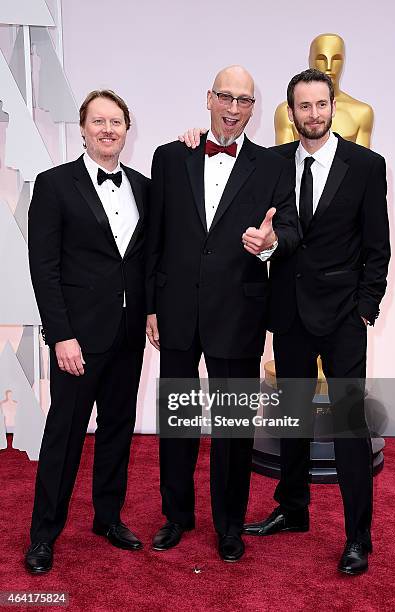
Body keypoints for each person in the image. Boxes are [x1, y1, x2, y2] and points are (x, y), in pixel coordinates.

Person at [180, 68, 390, 574]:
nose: (312, 115)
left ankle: (357, 535)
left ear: (332, 107)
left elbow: (378, 248)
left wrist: (365, 308)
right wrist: (190, 140)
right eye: (302, 107)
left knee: (347, 427)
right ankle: (293, 509)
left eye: (320, 105)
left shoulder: (365, 165)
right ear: (290, 111)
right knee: (292, 420)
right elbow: (218, 171)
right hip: (288, 313)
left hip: (343, 318)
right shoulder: (270, 163)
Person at [146, 65, 298, 562]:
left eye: (245, 101)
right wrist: (150, 305)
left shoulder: (274, 164)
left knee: (233, 426)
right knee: (180, 419)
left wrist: (272, 242)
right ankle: (177, 515)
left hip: (240, 313)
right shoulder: (171, 156)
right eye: (226, 98)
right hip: (178, 310)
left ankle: (229, 524)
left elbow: (292, 227)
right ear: (209, 98)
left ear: (254, 107)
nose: (234, 109)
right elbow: (156, 238)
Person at [25, 90, 149, 573]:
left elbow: (147, 261)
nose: (108, 129)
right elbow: (45, 267)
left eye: (116, 121)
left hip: (127, 333)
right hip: (78, 338)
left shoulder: (143, 185)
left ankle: (108, 517)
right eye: (98, 121)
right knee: (65, 435)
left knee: (117, 430)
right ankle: (43, 535)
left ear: (126, 129)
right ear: (82, 128)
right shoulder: (54, 185)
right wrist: (61, 335)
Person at [274, 34, 374, 147]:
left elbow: (364, 162)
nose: (329, 66)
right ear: (310, 61)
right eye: (321, 59)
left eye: (336, 59)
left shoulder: (362, 112)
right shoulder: (285, 111)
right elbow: (283, 160)